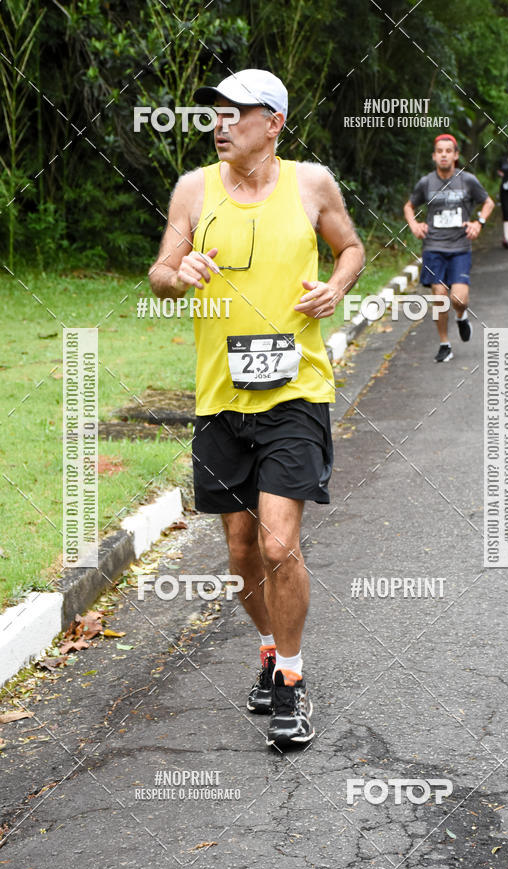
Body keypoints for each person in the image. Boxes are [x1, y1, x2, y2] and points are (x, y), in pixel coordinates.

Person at [148, 69, 364, 749]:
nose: (220, 124)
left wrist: (335, 287)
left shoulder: (312, 183)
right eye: (214, 112)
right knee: (242, 551)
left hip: (295, 392)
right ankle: (269, 649)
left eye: (235, 112)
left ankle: (292, 681)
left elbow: (352, 248)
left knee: (277, 543)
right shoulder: (193, 190)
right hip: (220, 399)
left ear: (273, 123)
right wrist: (177, 275)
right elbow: (159, 274)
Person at [403, 133, 495, 363]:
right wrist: (414, 225)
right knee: (440, 296)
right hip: (433, 247)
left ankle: (461, 317)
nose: (444, 155)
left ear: (455, 155)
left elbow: (488, 202)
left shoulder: (467, 181)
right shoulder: (426, 183)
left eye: (448, 151)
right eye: (439, 151)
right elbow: (409, 206)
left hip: (460, 248)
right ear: (434, 156)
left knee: (459, 299)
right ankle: (444, 343)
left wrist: (478, 223)